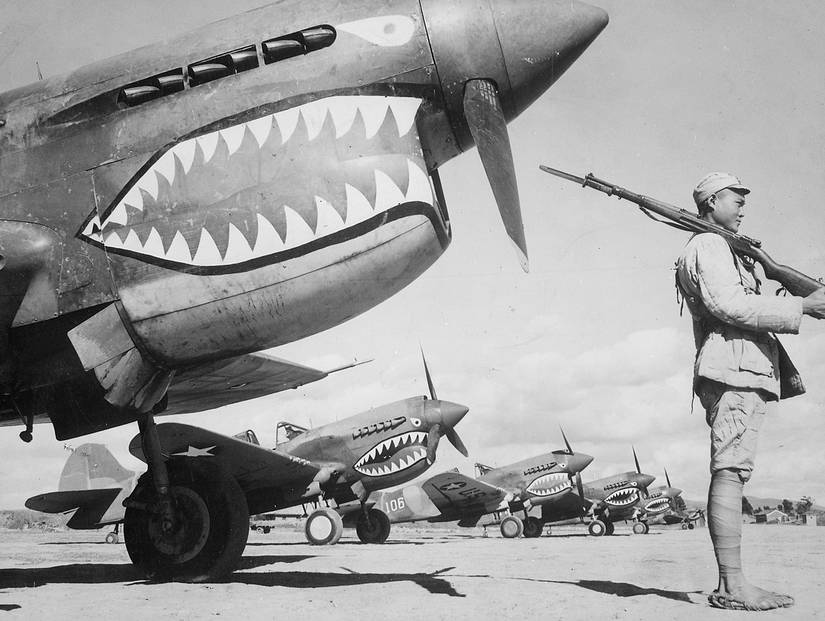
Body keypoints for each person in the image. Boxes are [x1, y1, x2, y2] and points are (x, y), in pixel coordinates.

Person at [675, 172, 825, 611]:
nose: (743, 206)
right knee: (730, 469)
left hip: (743, 368)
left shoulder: (727, 247)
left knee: (734, 469)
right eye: (735, 199)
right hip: (734, 368)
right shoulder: (709, 244)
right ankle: (732, 587)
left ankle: (734, 583)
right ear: (712, 201)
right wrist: (802, 305)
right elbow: (729, 306)